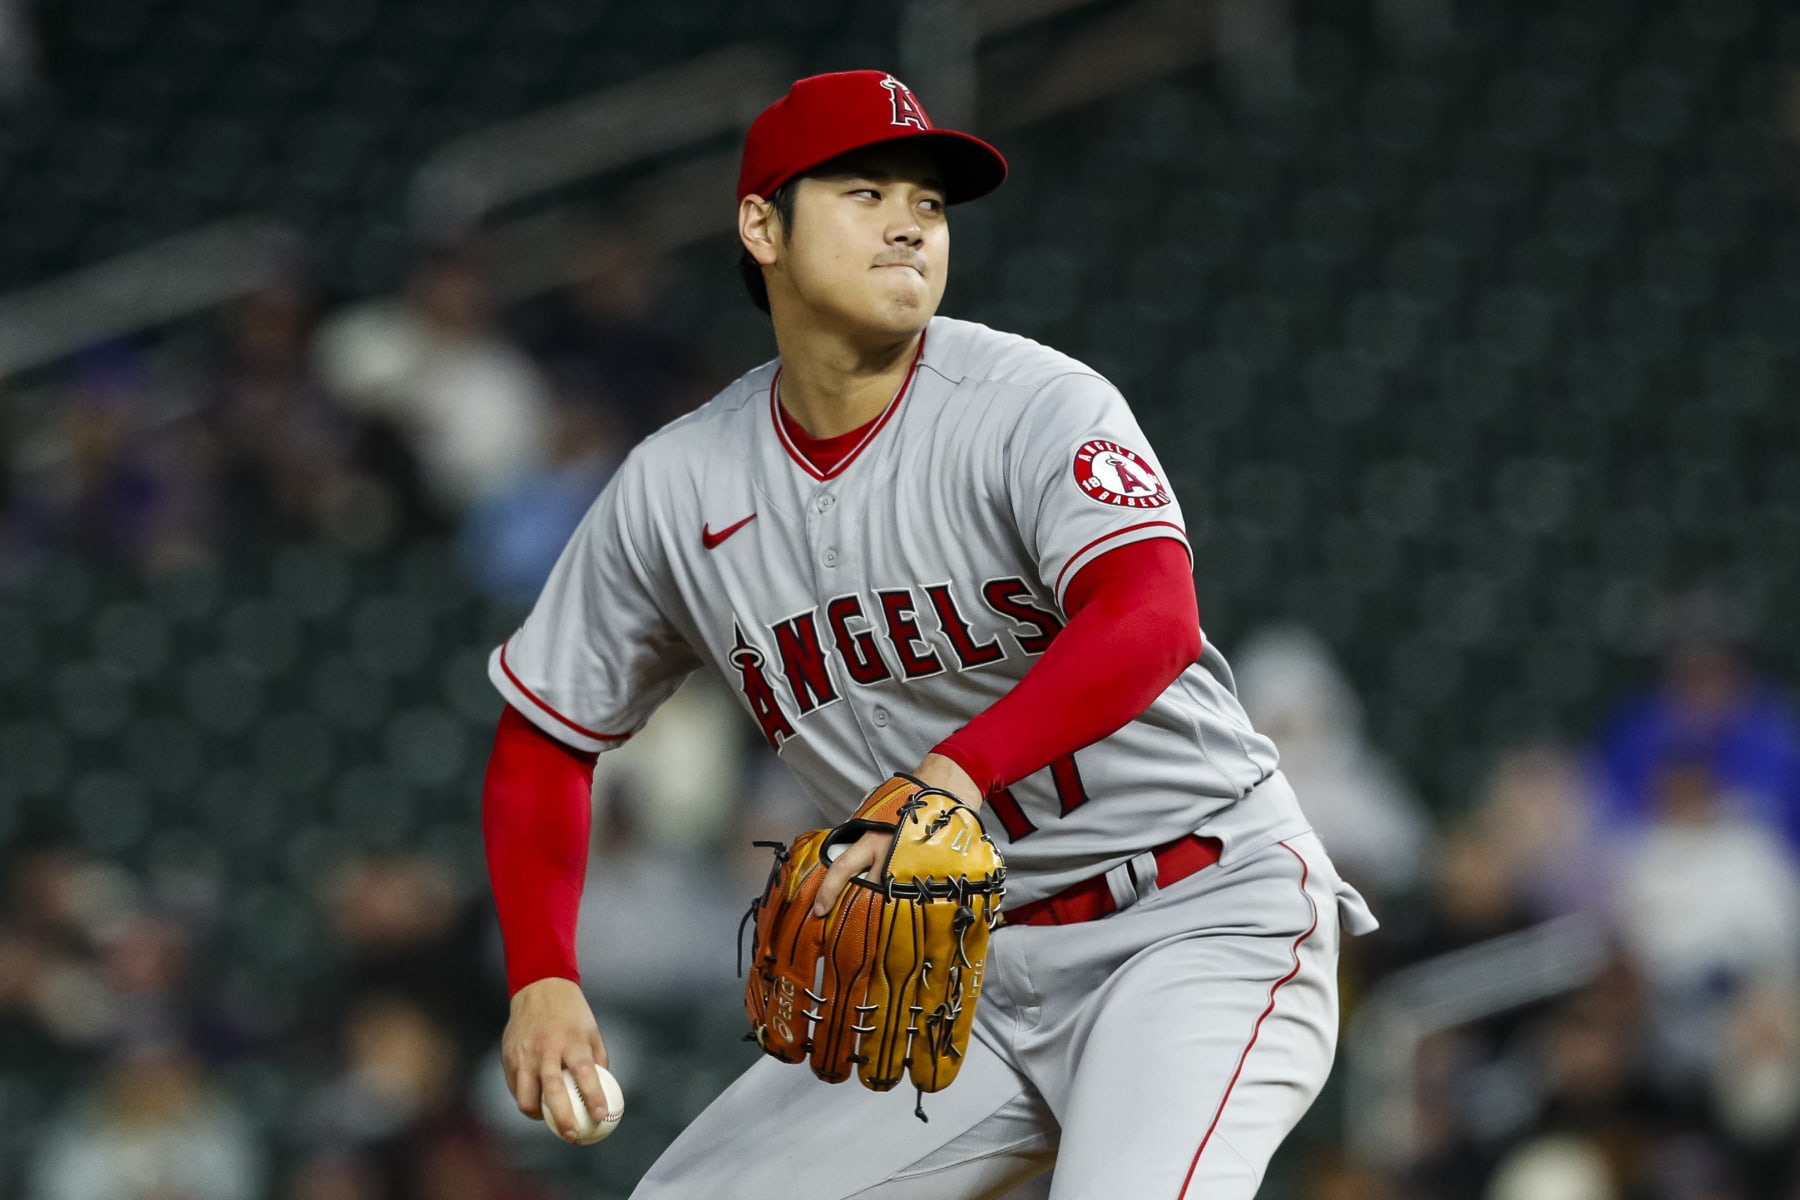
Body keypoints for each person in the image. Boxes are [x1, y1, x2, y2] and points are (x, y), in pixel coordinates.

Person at [478, 70, 1377, 1199]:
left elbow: (1150, 613)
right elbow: (544, 740)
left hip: (1194, 919)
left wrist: (954, 775)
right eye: (865, 191)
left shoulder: (1030, 401)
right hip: (961, 972)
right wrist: (543, 977)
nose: (910, 219)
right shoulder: (674, 488)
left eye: (931, 202)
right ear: (761, 224)